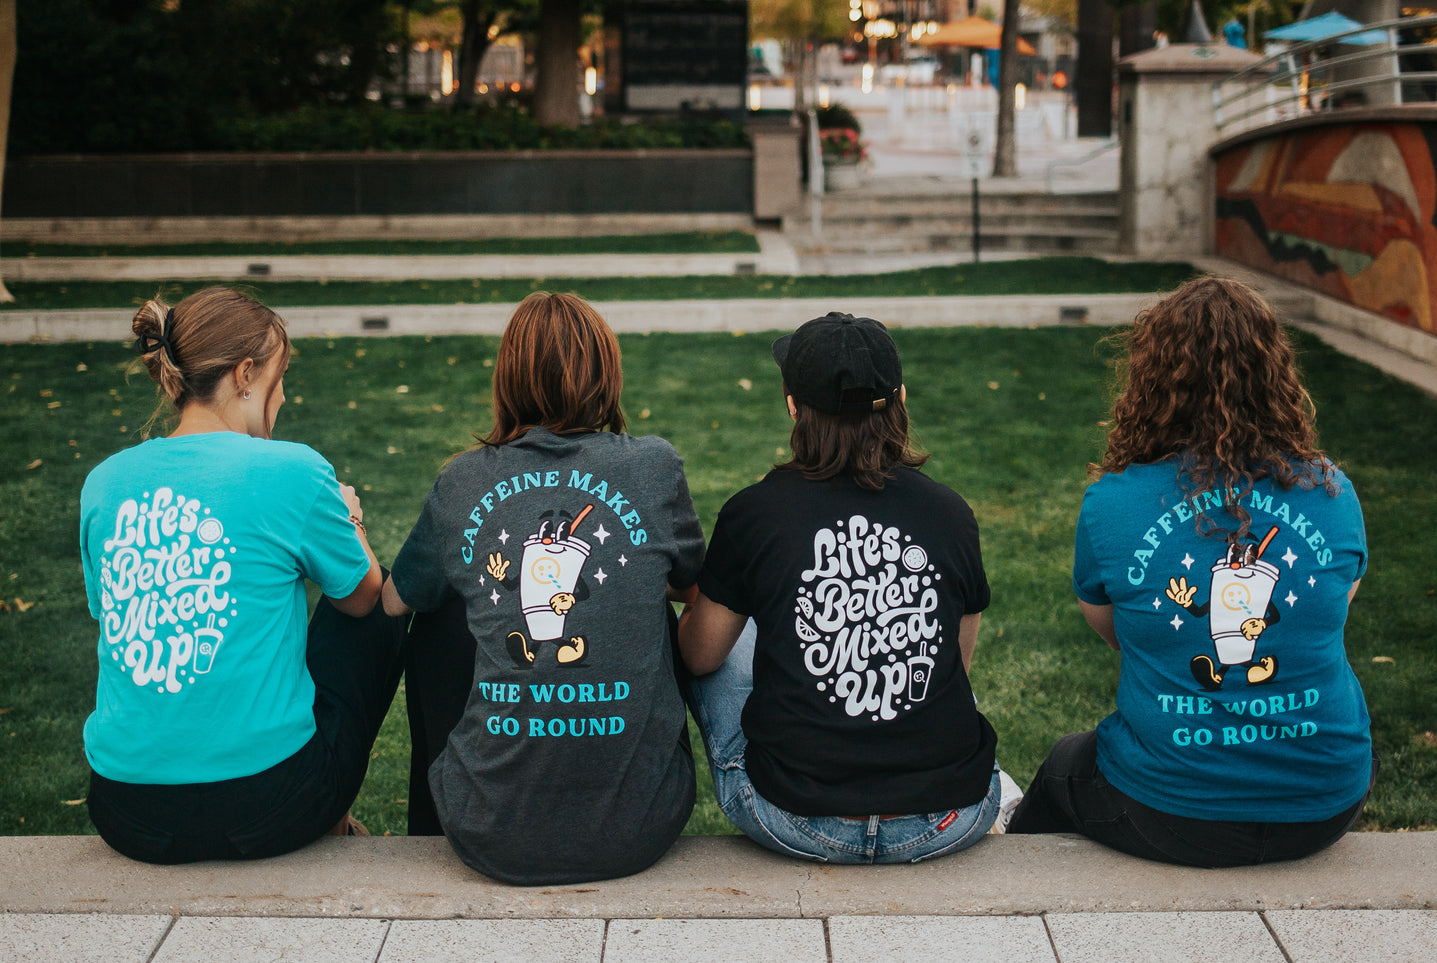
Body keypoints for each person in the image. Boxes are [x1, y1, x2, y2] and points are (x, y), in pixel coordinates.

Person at [1008, 276, 1376, 866]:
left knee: (1063, 767)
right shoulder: (1333, 493)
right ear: (1276, 372)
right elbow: (1326, 614)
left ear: (1151, 379)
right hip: (1324, 803)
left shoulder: (1113, 504)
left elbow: (1116, 630)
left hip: (1170, 812)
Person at [383, 292, 705, 885]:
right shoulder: (654, 465)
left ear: (507, 380)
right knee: (661, 605)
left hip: (488, 829)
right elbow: (695, 589)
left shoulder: (464, 479)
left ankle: (439, 808)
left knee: (439, 613)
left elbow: (394, 600)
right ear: (608, 376)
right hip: (641, 826)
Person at [81, 287, 406, 863]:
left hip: (125, 813)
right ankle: (331, 815)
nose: (284, 395)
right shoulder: (294, 470)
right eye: (281, 376)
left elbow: (112, 618)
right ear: (247, 374)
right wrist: (349, 516)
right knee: (378, 600)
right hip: (266, 810)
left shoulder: (104, 483)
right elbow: (362, 601)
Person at [678, 312, 1001, 863]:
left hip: (792, 816)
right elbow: (955, 664)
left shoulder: (755, 514)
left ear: (793, 406)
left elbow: (700, 656)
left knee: (723, 633)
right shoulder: (950, 514)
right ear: (901, 398)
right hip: (949, 816)